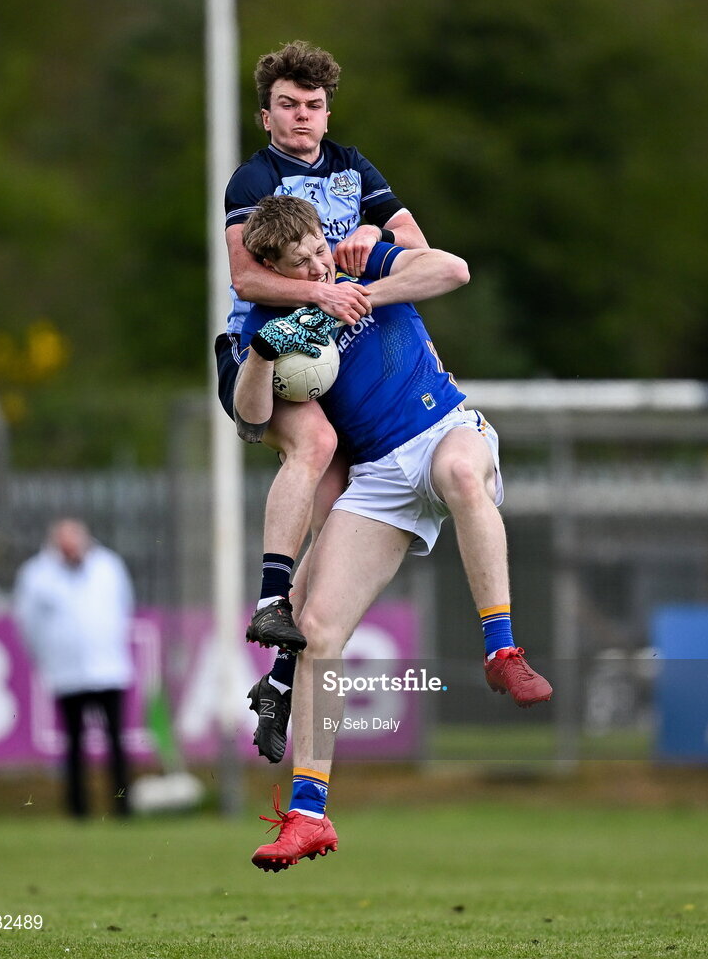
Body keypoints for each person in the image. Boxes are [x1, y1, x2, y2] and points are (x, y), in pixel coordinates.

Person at [232, 197, 553, 871]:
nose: (318, 264)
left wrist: (360, 293)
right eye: (300, 264)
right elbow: (252, 414)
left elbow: (451, 270)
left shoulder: (357, 254)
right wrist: (265, 352)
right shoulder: (271, 320)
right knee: (316, 626)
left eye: (319, 249)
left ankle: (501, 648)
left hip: (444, 431)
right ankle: (309, 814)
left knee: (465, 477)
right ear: (271, 269)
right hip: (379, 475)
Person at [215, 41, 429, 707]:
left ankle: (280, 676)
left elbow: (420, 253)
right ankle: (269, 597)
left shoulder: (353, 168)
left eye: (312, 106)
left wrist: (374, 245)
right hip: (267, 340)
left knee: (340, 509)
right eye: (287, 106)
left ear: (327, 113)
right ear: (265, 115)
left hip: (330, 351)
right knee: (314, 446)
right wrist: (321, 294)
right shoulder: (253, 181)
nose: (300, 117)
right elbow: (245, 276)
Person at [13, 518, 135, 819]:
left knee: (116, 740)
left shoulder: (108, 566)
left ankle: (122, 806)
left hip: (109, 668)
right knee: (74, 743)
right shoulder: (36, 575)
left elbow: (124, 607)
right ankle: (78, 809)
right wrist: (47, 659)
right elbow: (27, 623)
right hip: (66, 672)